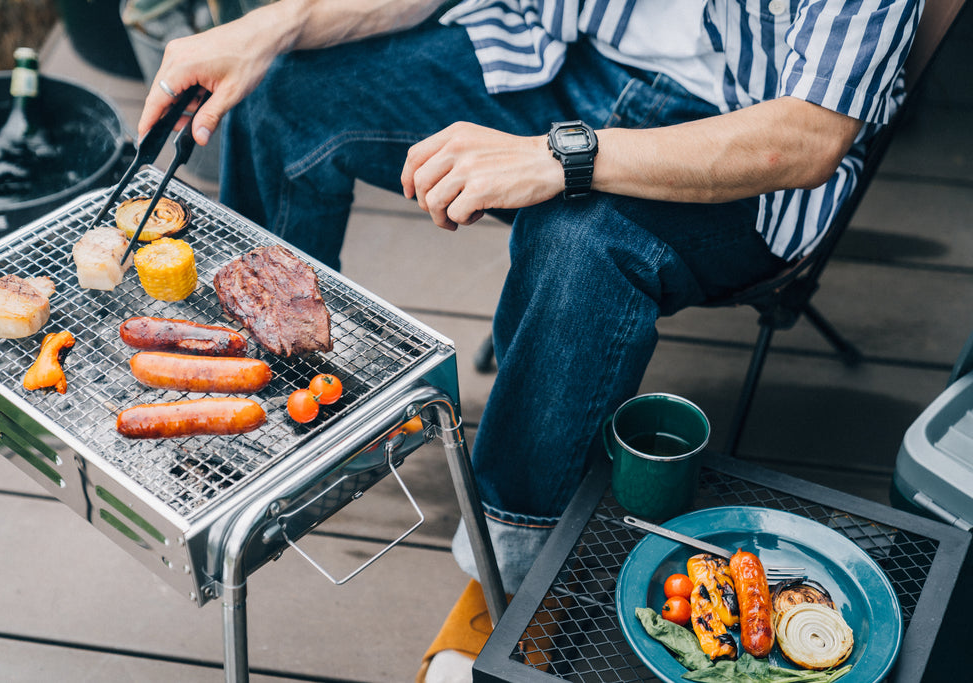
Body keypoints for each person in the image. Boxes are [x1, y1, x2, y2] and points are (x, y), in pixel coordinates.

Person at [138, 0, 922, 679]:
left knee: (577, 238)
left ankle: (505, 585)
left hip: (740, 140)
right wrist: (275, 24)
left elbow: (810, 134)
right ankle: (269, 397)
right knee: (281, 94)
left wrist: (561, 159)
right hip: (560, 58)